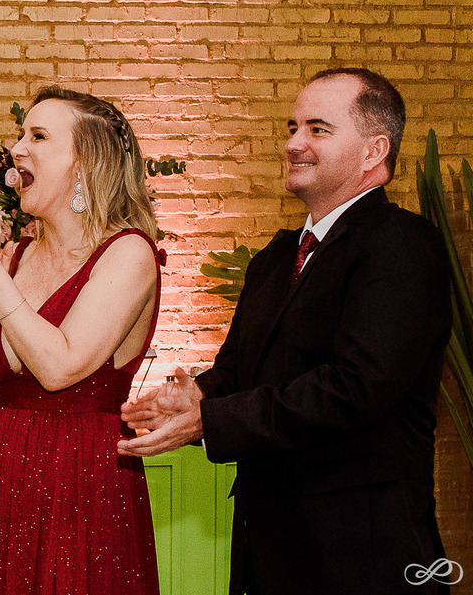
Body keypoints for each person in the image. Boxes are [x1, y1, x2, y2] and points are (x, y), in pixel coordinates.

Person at [119, 68, 453, 595]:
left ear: (374, 151)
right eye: (292, 126)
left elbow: (355, 387)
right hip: (268, 545)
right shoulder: (275, 259)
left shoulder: (402, 246)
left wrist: (210, 420)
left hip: (361, 550)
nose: (293, 143)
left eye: (318, 129)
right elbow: (240, 371)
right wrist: (194, 395)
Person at [0, 86, 163, 595]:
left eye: (38, 136)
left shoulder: (128, 255)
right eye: (21, 135)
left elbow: (60, 367)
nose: (18, 149)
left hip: (81, 476)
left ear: (85, 164)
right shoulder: (14, 255)